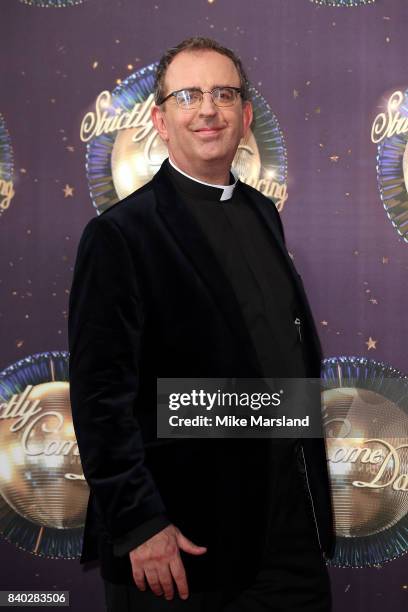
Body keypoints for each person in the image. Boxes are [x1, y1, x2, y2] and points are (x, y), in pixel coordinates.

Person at [68, 36, 335, 611]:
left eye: (223, 93)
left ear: (246, 116)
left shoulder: (263, 214)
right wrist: (139, 523)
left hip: (288, 532)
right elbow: (99, 399)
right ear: (161, 120)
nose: (208, 109)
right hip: (184, 546)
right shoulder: (120, 236)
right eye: (189, 96)